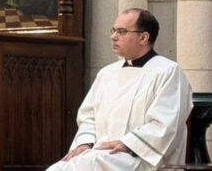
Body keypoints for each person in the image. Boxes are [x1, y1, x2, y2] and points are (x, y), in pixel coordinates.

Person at [48, 9, 193, 170]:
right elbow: (88, 116)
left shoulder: (168, 71)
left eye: (122, 32)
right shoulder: (107, 73)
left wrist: (127, 143)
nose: (113, 37)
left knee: (87, 165)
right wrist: (84, 143)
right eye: (114, 30)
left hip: (143, 158)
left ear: (144, 37)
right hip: (103, 155)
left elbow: (165, 124)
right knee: (60, 167)